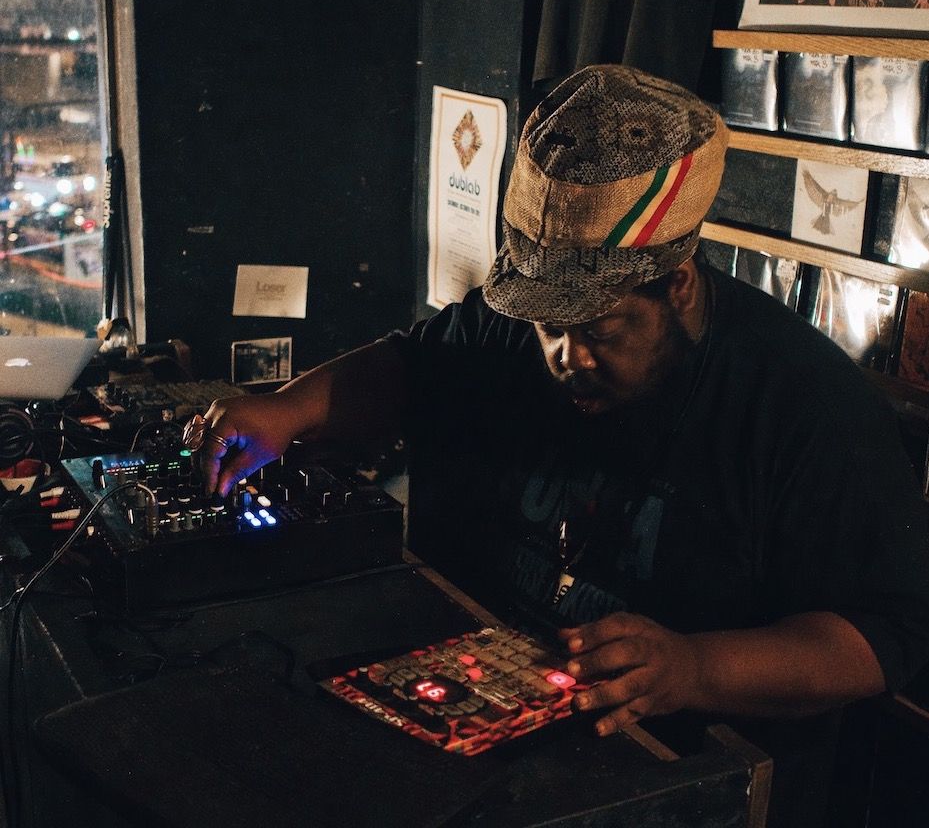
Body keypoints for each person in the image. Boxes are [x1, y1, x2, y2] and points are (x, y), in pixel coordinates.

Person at [188, 66, 929, 827]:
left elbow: (884, 636)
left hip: (667, 778)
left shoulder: (807, 405)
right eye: (547, 326)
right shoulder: (520, 333)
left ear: (677, 284)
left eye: (598, 330)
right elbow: (415, 365)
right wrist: (284, 410)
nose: (565, 357)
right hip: (485, 725)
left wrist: (694, 667)